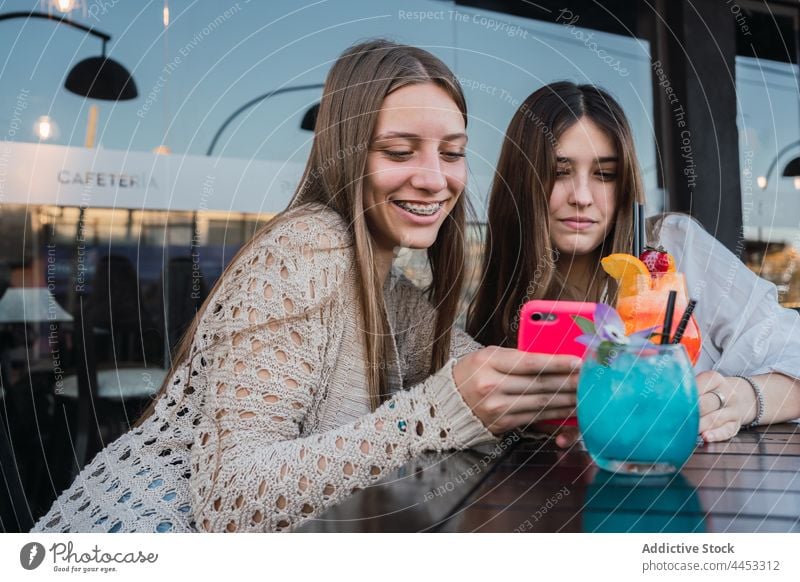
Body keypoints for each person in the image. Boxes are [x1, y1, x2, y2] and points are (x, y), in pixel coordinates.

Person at [32, 41, 579, 533]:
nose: (436, 178)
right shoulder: (307, 248)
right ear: (346, 152)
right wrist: (435, 413)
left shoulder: (393, 292)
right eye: (397, 151)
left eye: (453, 153)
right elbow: (230, 503)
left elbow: (497, 380)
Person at [467, 81, 800, 444]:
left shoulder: (671, 248)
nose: (581, 196)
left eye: (604, 175)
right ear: (522, 179)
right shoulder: (505, 295)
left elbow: (791, 352)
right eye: (559, 171)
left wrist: (745, 398)